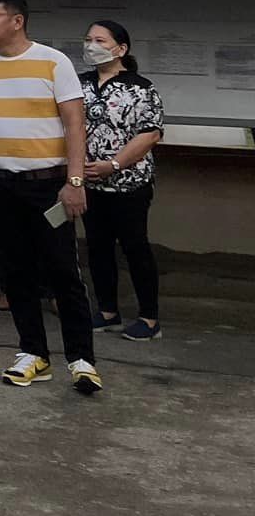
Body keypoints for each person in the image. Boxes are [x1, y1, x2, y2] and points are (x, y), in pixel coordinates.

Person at [0, 0, 99, 393]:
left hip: (48, 186)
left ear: (17, 21)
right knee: (13, 271)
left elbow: (75, 126)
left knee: (62, 271)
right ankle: (33, 353)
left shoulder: (54, 62)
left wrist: (75, 182)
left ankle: (82, 359)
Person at [81, 19, 164, 343]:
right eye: (88, 39)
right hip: (90, 184)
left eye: (100, 40)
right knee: (98, 248)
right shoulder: (80, 84)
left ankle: (149, 318)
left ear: (121, 48)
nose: (91, 45)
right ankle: (107, 312)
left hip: (129, 184)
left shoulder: (141, 88)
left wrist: (113, 165)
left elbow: (150, 133)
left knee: (135, 248)